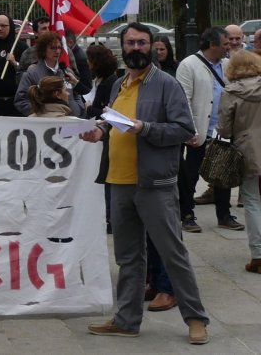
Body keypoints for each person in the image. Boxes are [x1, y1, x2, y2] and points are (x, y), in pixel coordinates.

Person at [80, 23, 209, 345]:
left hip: (154, 184)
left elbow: (184, 129)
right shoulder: (118, 84)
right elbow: (114, 122)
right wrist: (100, 131)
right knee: (128, 257)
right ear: (122, 47)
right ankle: (126, 320)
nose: (136, 48)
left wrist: (145, 128)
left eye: (141, 43)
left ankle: (196, 319)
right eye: (130, 43)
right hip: (118, 182)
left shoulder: (166, 84)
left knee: (172, 254)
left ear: (151, 47)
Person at [175, 27, 240, 233]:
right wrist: (190, 130)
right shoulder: (188, 65)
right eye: (225, 44)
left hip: (223, 131)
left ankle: (224, 215)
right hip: (199, 132)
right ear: (212, 45)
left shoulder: (228, 65)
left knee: (223, 174)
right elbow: (183, 100)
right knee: (190, 175)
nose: (229, 47)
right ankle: (187, 215)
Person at [217, 48, 261, 274]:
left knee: (251, 200)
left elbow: (224, 129)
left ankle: (258, 255)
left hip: (247, 149)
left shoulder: (231, 92)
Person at [14, 31, 84, 117]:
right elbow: (21, 100)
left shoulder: (67, 72)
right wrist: (40, 114)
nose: (57, 51)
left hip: (70, 120)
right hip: (44, 122)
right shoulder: (32, 73)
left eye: (59, 48)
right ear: (43, 50)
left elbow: (77, 95)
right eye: (53, 48)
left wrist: (78, 109)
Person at [86, 43, 122, 121]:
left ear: (95, 62)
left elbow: (107, 112)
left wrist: (89, 108)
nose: (87, 61)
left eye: (89, 59)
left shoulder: (110, 82)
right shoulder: (101, 78)